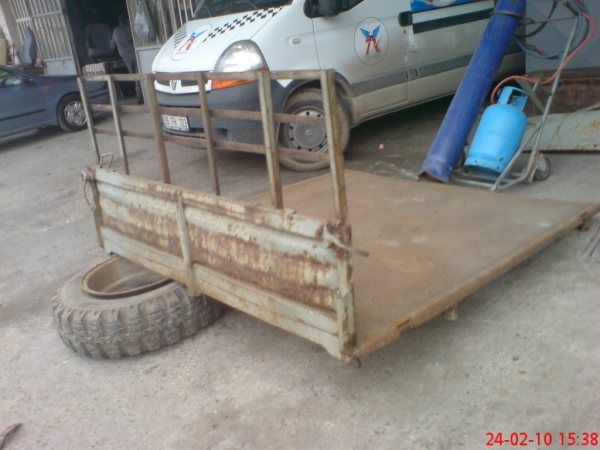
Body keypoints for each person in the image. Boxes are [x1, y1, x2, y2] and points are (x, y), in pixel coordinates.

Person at [112, 15, 143, 103]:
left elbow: (112, 46)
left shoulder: (115, 31)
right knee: (139, 77)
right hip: (135, 55)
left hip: (126, 57)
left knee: (135, 77)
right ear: (126, 21)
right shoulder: (129, 29)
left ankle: (140, 97)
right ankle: (140, 97)